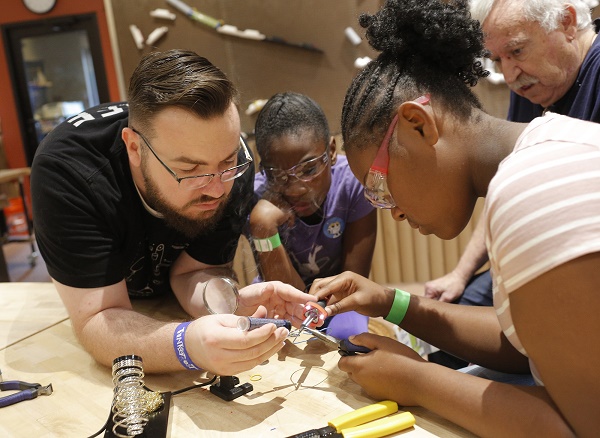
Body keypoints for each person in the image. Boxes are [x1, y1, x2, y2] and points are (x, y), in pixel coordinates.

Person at [309, 0, 600, 435]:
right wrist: (393, 303)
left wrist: (417, 380)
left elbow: (580, 428)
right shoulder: (548, 143)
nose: (395, 213)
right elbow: (528, 347)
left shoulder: (531, 187)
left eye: (381, 187)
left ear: (420, 124)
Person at [30, 49, 315, 376]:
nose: (217, 189)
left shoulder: (232, 166)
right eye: (191, 170)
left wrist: (229, 303)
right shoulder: (68, 172)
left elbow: (191, 272)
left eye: (226, 163)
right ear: (134, 148)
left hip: (160, 310)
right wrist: (186, 346)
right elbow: (98, 318)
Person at [425, 0, 600, 306]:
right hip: (540, 257)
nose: (509, 75)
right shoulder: (537, 84)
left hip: (582, 267)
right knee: (456, 310)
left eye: (517, 51)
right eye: (497, 59)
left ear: (567, 23)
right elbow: (510, 184)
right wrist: (459, 274)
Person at [248, 92, 377, 337]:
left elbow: (352, 286)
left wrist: (317, 313)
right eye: (277, 175)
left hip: (339, 300)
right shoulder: (257, 198)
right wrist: (262, 226)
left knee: (349, 336)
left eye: (309, 169)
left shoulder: (352, 185)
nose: (295, 188)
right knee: (263, 339)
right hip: (280, 295)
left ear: (331, 150)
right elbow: (287, 304)